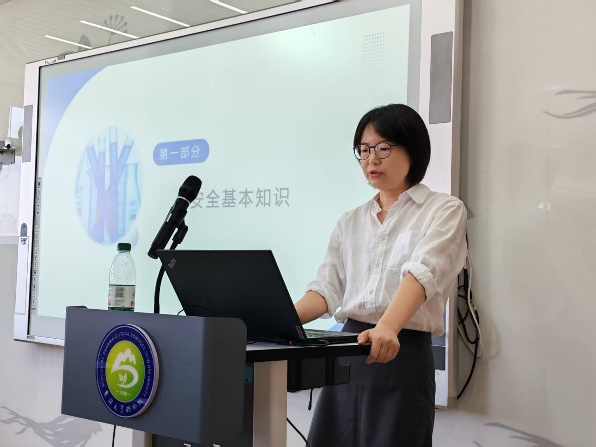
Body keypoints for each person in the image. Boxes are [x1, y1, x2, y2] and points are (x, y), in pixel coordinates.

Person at [294, 104, 468, 447]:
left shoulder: (444, 209)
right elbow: (327, 289)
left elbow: (422, 273)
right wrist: (277, 321)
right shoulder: (350, 220)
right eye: (363, 150)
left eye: (383, 148)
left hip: (401, 352)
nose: (371, 159)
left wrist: (387, 327)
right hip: (348, 352)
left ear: (413, 149)